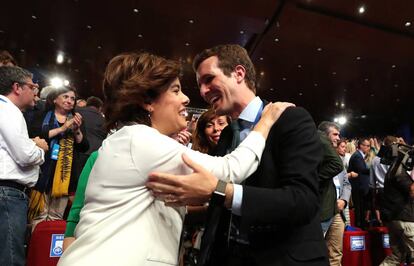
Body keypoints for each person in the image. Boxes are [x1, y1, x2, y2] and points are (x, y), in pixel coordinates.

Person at [57, 51, 292, 266]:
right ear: (147, 101)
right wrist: (265, 123)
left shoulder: (125, 140)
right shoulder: (141, 140)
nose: (188, 98)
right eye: (176, 90)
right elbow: (231, 169)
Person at [147, 44, 328, 266]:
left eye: (209, 79)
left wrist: (223, 192)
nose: (203, 92)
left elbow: (303, 201)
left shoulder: (290, 119)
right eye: (200, 85)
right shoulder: (225, 137)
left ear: (238, 74)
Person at [0, 66, 48, 266]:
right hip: (8, 193)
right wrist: (40, 148)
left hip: (6, 193)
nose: (35, 92)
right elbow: (25, 155)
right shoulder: (9, 111)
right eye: (32, 86)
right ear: (17, 87)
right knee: (11, 257)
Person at [29, 86, 89, 229]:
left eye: (72, 98)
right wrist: (62, 129)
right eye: (65, 97)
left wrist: (77, 131)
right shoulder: (41, 116)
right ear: (55, 99)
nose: (69, 101)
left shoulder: (76, 120)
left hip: (64, 176)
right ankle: (37, 247)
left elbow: (83, 146)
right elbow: (35, 136)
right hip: (42, 172)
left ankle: (48, 250)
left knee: (56, 218)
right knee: (39, 217)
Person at [348, 137, 371, 228]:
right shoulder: (357, 155)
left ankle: (361, 224)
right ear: (361, 146)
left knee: (361, 206)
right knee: (359, 207)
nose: (369, 148)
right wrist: (373, 169)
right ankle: (360, 225)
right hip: (359, 186)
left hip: (360, 186)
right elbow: (361, 169)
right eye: (367, 146)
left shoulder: (359, 155)